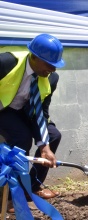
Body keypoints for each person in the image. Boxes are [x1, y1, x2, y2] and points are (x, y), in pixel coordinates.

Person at [0, 33, 65, 201]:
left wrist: (44, 145)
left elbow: (42, 110)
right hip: (3, 110)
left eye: (55, 65)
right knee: (22, 138)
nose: (53, 69)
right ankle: (11, 197)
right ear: (34, 57)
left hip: (25, 112)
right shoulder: (6, 62)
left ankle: (32, 188)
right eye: (49, 64)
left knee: (53, 136)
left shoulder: (51, 78)